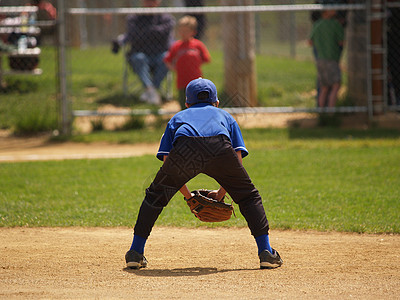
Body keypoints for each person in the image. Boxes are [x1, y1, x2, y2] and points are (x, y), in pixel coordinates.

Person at [125, 78, 283, 270]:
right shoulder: (225, 116)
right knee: (248, 197)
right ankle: (266, 252)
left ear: (187, 104)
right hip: (219, 147)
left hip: (185, 146)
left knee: (155, 197)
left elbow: (168, 164)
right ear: (216, 102)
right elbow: (237, 160)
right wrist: (222, 193)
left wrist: (188, 197)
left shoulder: (177, 118)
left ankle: (135, 252)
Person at [112, 0, 175, 105]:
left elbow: (164, 34)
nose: (150, 3)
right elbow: (132, 34)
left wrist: (144, 33)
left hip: (160, 54)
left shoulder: (166, 17)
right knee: (139, 58)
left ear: (158, 2)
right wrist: (154, 33)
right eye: (147, 1)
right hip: (139, 53)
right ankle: (151, 90)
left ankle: (150, 91)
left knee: (166, 58)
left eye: (153, 1)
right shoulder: (134, 17)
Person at [164, 15, 211, 110]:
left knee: (197, 102)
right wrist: (174, 68)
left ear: (193, 32)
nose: (183, 34)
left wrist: (195, 65)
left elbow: (206, 59)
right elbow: (167, 60)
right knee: (183, 103)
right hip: (182, 80)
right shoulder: (176, 46)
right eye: (181, 31)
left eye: (186, 31)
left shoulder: (197, 45)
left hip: (196, 79)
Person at [309, 9, 344, 108]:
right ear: (325, 11)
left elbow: (310, 42)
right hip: (332, 59)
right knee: (336, 86)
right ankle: (331, 113)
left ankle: (321, 112)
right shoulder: (335, 24)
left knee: (324, 88)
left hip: (320, 59)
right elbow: (341, 42)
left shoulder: (317, 24)